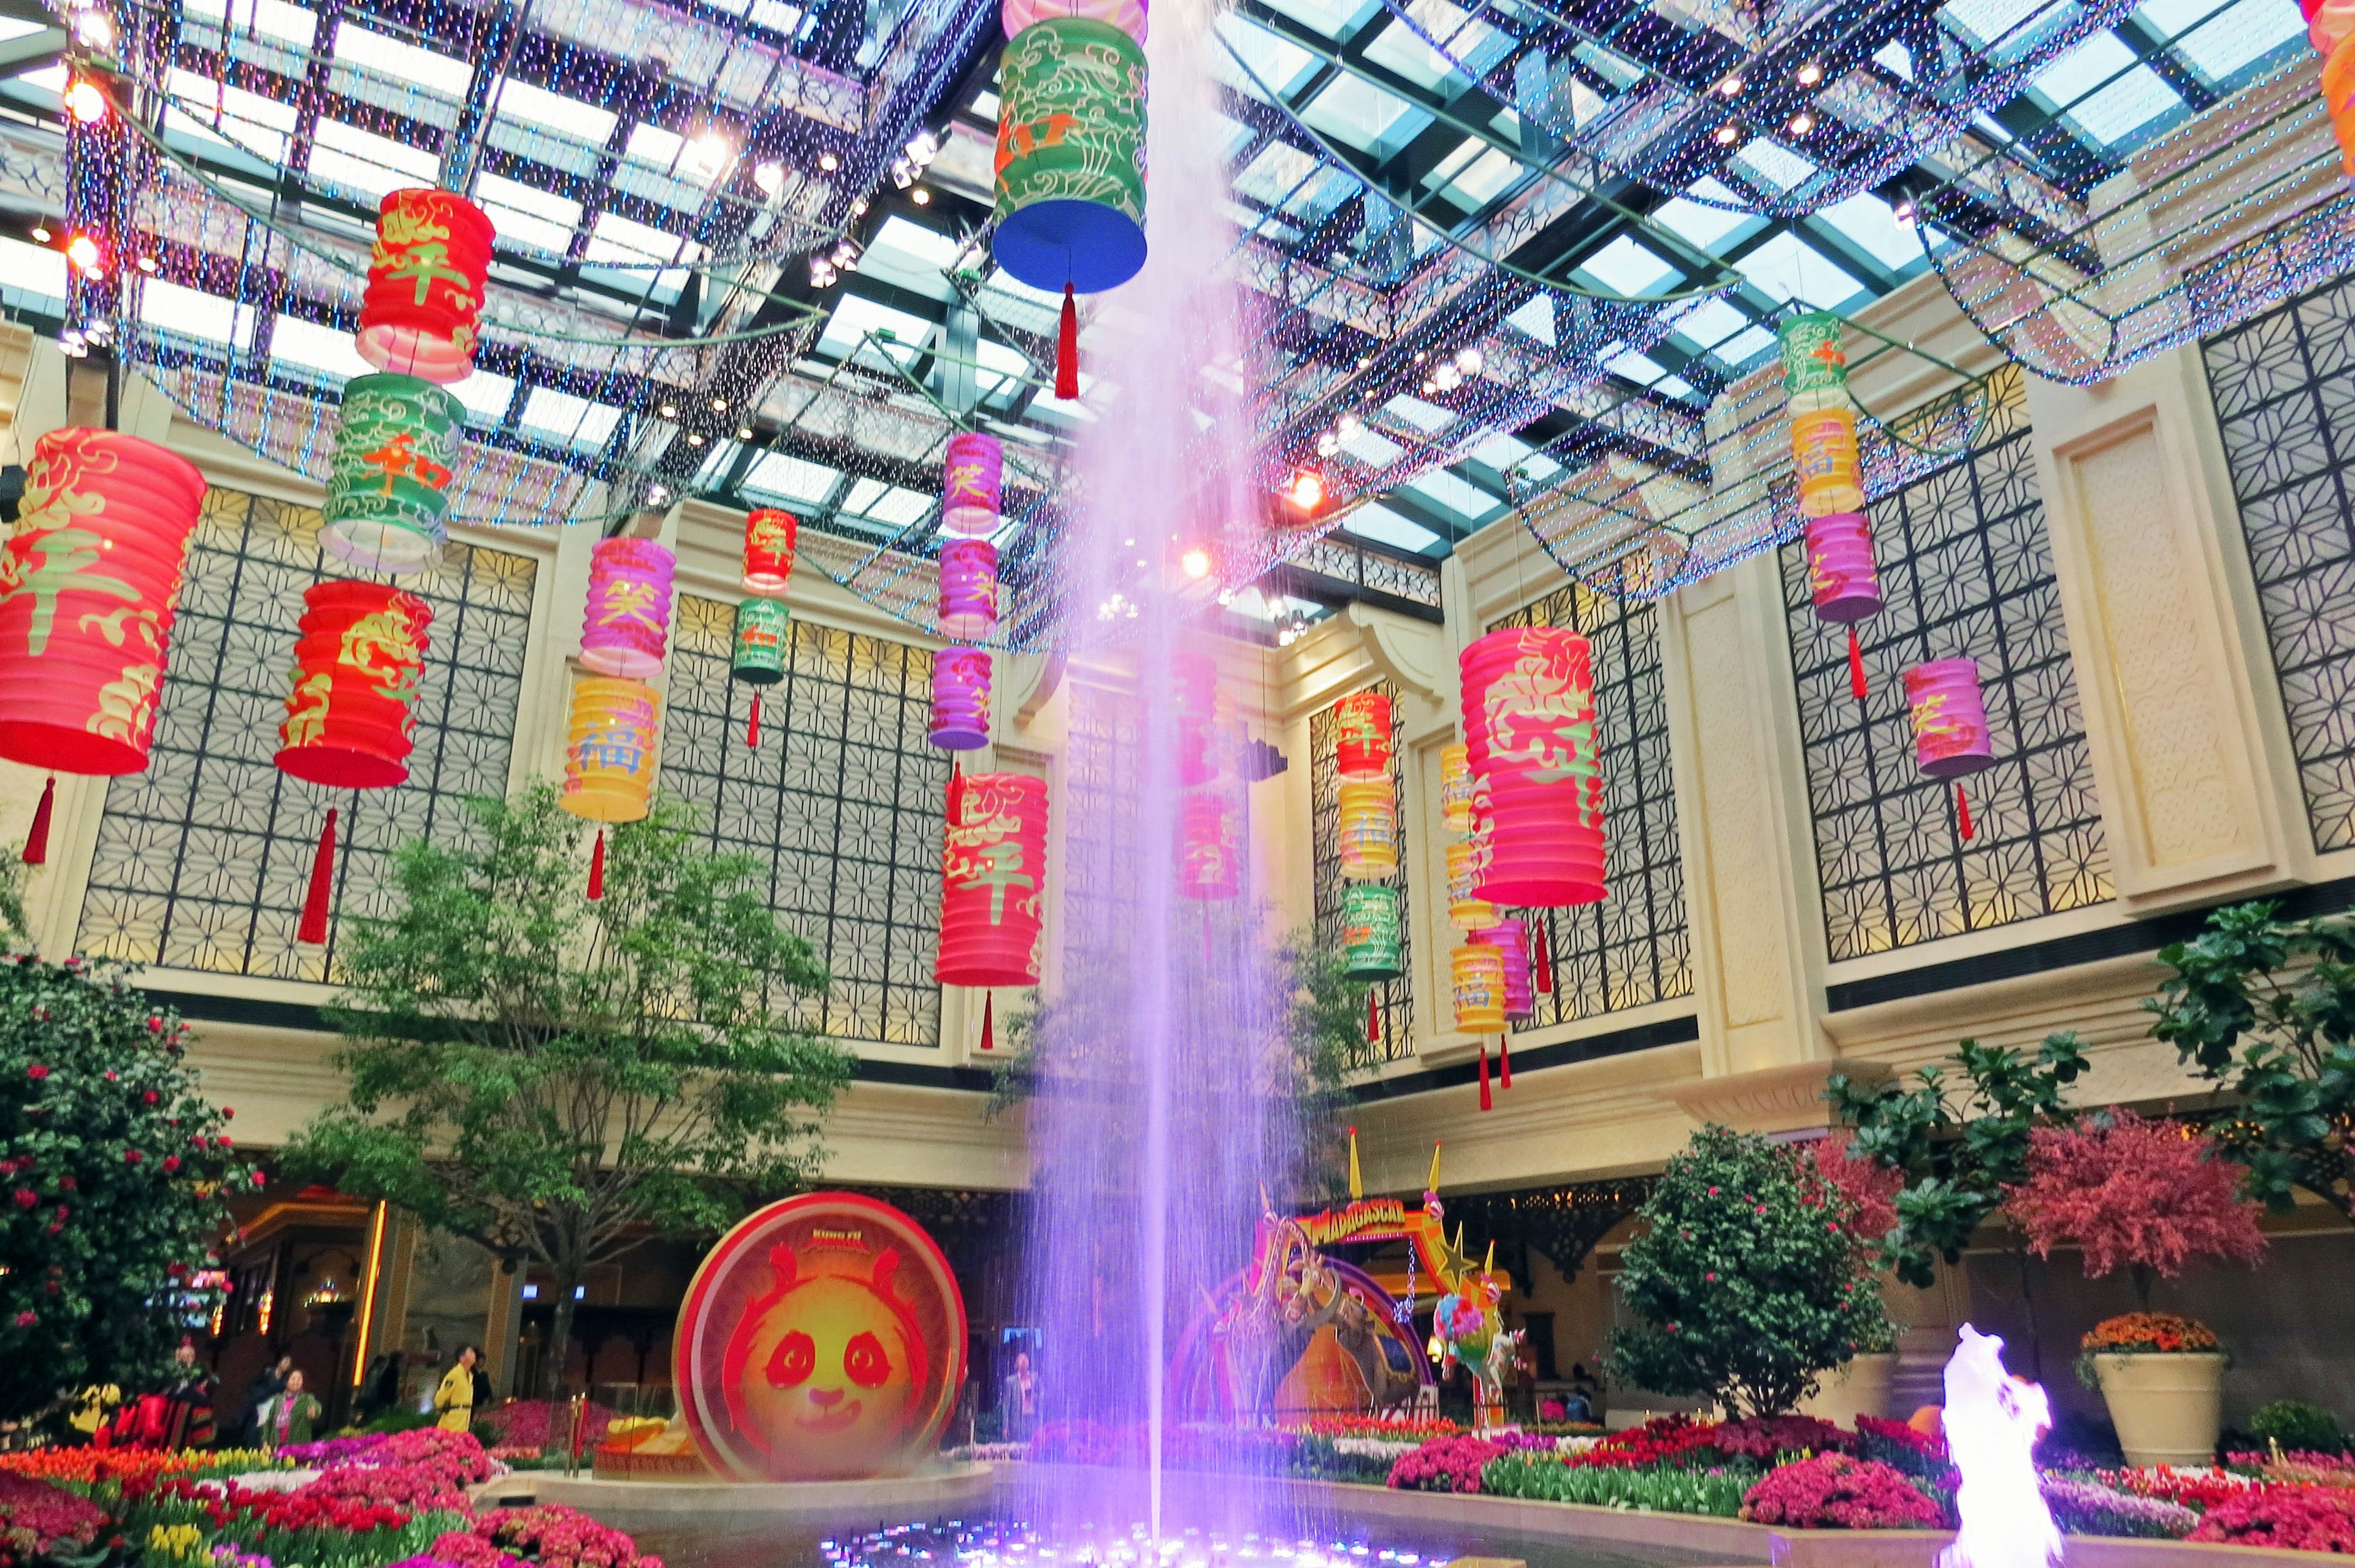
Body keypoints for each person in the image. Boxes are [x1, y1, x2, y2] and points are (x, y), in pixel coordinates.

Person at [160, 1340, 216, 1449]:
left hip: (157, 1456)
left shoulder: (163, 1393)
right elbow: (203, 1439)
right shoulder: (199, 1400)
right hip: (182, 1459)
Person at [257, 1368, 324, 1447]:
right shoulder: (276, 1399)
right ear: (287, 1381)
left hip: (298, 1447)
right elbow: (267, 1422)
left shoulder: (307, 1398)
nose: (296, 1382)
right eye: (293, 1379)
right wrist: (265, 1442)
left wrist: (314, 1412)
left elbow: (316, 1407)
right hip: (275, 1445)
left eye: (299, 1380)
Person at [432, 1345, 480, 1433]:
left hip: (465, 1417)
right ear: (462, 1358)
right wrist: (441, 1407)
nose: (474, 1355)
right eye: (470, 1353)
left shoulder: (470, 1376)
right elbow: (442, 1395)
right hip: (453, 1417)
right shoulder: (454, 1375)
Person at [247, 1355, 294, 1440]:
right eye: (286, 1362)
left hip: (275, 1408)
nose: (288, 1365)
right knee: (256, 1430)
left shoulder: (285, 1380)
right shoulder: (266, 1375)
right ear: (279, 1362)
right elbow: (255, 1387)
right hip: (261, 1405)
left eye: (289, 1363)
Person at [998, 1350, 1038, 1440]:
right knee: (1017, 1446)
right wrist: (1005, 1426)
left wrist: (1036, 1397)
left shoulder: (1035, 1378)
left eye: (1025, 1359)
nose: (1024, 1361)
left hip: (1032, 1418)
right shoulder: (1010, 1381)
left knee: (1032, 1445)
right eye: (1021, 1360)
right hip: (1018, 1420)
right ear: (1016, 1365)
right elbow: (1006, 1406)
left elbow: (1043, 1393)